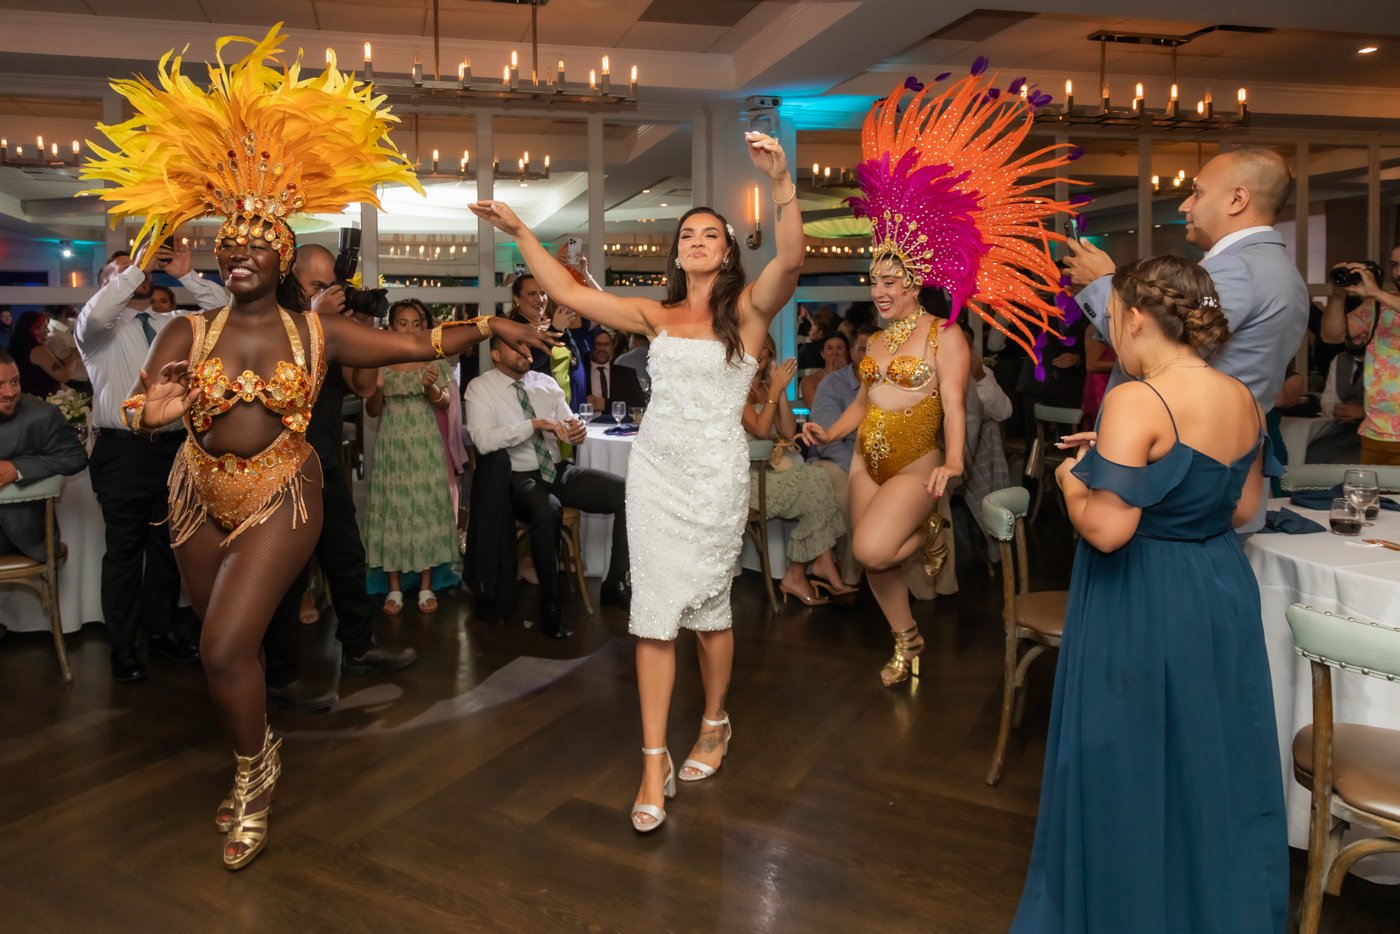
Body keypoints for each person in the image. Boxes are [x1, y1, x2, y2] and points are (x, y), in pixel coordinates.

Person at [84, 26, 553, 869]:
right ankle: (250, 750)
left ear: (281, 255)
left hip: (284, 491)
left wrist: (492, 321)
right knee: (211, 639)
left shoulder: (318, 331)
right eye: (228, 245)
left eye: (254, 244)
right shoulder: (188, 328)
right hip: (195, 490)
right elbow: (142, 403)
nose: (237, 254)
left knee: (228, 644)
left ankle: (255, 777)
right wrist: (160, 403)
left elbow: (418, 346)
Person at [471, 127, 803, 833]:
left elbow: (794, 259)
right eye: (688, 233)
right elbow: (564, 289)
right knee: (653, 618)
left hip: (714, 479)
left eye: (710, 233)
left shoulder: (745, 314)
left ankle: (714, 722)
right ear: (677, 251)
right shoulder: (653, 316)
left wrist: (780, 184)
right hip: (654, 475)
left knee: (712, 614)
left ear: (727, 250)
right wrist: (522, 231)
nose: (696, 239)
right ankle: (653, 759)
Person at [1011, 255, 1287, 933]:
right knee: (1205, 760)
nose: (1110, 334)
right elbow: (1243, 507)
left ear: (1136, 318)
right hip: (1218, 587)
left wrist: (1079, 474)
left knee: (1126, 759)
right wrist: (1119, 462)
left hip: (1142, 590)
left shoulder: (1137, 398)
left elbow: (1106, 530)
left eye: (1111, 321)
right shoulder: (1245, 397)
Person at [802, 68, 1078, 686]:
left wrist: (952, 464)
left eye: (890, 282)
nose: (879, 291)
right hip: (863, 459)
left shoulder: (944, 335)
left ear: (914, 282)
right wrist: (828, 431)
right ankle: (907, 638)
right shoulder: (875, 339)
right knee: (869, 563)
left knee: (874, 550)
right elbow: (868, 400)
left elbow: (955, 404)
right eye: (874, 282)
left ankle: (932, 531)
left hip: (913, 459)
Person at [1066, 146, 1310, 522]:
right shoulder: (1276, 266)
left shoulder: (1236, 269)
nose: (1184, 205)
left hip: (1180, 481)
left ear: (1237, 199)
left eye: (1197, 191)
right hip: (1219, 470)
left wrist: (1103, 285)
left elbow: (1157, 351)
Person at [261, 244, 418, 714]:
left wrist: (358, 327)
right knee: (287, 576)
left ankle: (359, 649)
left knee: (347, 557)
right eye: (318, 286)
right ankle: (281, 676)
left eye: (334, 286)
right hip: (281, 464)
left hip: (324, 459)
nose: (329, 294)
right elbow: (276, 373)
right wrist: (314, 317)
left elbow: (366, 386)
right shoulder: (275, 318)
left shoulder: (335, 324)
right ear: (296, 281)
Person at [76, 241, 226, 683]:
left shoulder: (170, 323)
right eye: (120, 273)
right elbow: (101, 311)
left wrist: (185, 275)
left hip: (175, 448)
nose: (136, 274)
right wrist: (133, 267)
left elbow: (222, 313)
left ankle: (160, 634)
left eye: (141, 269)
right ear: (108, 286)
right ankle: (122, 646)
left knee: (168, 548)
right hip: (122, 451)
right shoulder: (97, 332)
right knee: (124, 550)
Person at [465, 333, 631, 637]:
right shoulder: (480, 388)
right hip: (518, 476)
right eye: (515, 345)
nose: (524, 350)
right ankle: (551, 602)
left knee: (626, 494)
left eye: (526, 344)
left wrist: (576, 430)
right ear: (495, 355)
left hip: (557, 470)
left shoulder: (545, 383)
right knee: (547, 510)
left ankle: (615, 583)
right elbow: (483, 440)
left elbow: (567, 427)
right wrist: (533, 425)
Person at [362, 299, 461, 615]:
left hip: (424, 442)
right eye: (402, 323)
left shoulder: (432, 357)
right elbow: (373, 411)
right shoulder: (379, 360)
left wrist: (431, 388)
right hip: (392, 444)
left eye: (415, 323)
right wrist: (377, 388)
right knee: (393, 510)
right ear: (391, 327)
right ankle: (393, 589)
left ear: (423, 326)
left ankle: (426, 586)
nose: (409, 329)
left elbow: (444, 404)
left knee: (425, 508)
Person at [742, 336, 853, 605]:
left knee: (819, 480)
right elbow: (759, 428)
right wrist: (773, 392)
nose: (760, 357)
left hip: (771, 472)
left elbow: (788, 431)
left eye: (766, 353)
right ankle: (809, 568)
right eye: (755, 351)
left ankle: (804, 569)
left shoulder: (771, 387)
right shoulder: (735, 388)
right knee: (816, 480)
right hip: (746, 478)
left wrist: (777, 391)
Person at [0, 350, 88, 560]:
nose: (10, 392)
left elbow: (76, 457)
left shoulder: (41, 415)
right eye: (0, 385)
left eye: (15, 382)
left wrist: (17, 468)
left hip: (21, 535)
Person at [1319, 243, 1400, 465]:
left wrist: (1377, 292)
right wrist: (1337, 296)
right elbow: (1332, 335)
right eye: (1394, 265)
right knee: (1375, 500)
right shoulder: (1378, 305)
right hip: (1375, 432)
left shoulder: (1381, 298)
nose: (1398, 272)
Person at [806, 324, 873, 585]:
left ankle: (925, 582)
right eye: (863, 349)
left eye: (875, 350)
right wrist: (860, 471)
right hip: (835, 457)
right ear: (853, 354)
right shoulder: (831, 383)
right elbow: (828, 440)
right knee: (847, 488)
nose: (869, 355)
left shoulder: (892, 381)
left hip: (877, 458)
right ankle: (850, 574)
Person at [8, 311, 75, 397]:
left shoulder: (23, 348)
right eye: (44, 327)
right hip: (42, 401)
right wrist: (75, 355)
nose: (47, 330)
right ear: (34, 329)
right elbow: (64, 376)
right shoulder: (37, 350)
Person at [583, 329, 646, 416]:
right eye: (597, 344)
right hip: (586, 425)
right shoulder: (580, 374)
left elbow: (639, 405)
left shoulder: (627, 374)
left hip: (617, 426)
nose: (602, 348)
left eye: (606, 345)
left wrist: (606, 405)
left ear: (612, 348)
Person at [799, 332, 850, 410]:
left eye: (839, 348)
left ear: (846, 353)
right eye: (829, 348)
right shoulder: (809, 381)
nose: (834, 352)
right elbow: (819, 410)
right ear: (822, 354)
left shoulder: (855, 379)